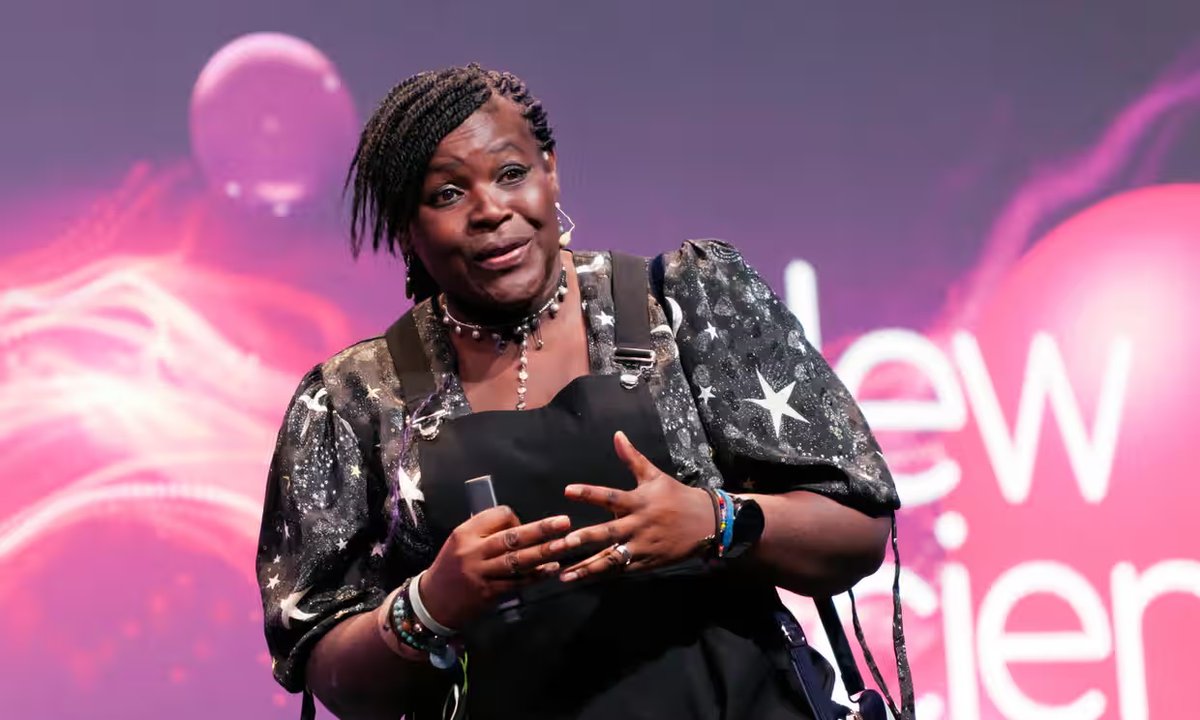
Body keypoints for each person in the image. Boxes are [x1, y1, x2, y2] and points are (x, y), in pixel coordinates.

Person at [256, 63, 906, 720]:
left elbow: (856, 532)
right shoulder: (356, 400)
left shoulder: (683, 306)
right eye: (448, 194)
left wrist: (716, 522)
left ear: (551, 169)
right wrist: (430, 603)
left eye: (512, 173)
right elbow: (331, 674)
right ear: (406, 227)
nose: (491, 210)